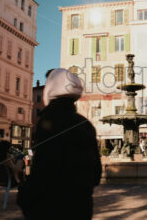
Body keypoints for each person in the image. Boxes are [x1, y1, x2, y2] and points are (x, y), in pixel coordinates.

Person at [17, 68, 101, 219]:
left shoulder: (48, 122)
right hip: (82, 208)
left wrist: (25, 197)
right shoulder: (86, 124)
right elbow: (96, 175)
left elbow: (43, 172)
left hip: (51, 209)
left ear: (49, 90)